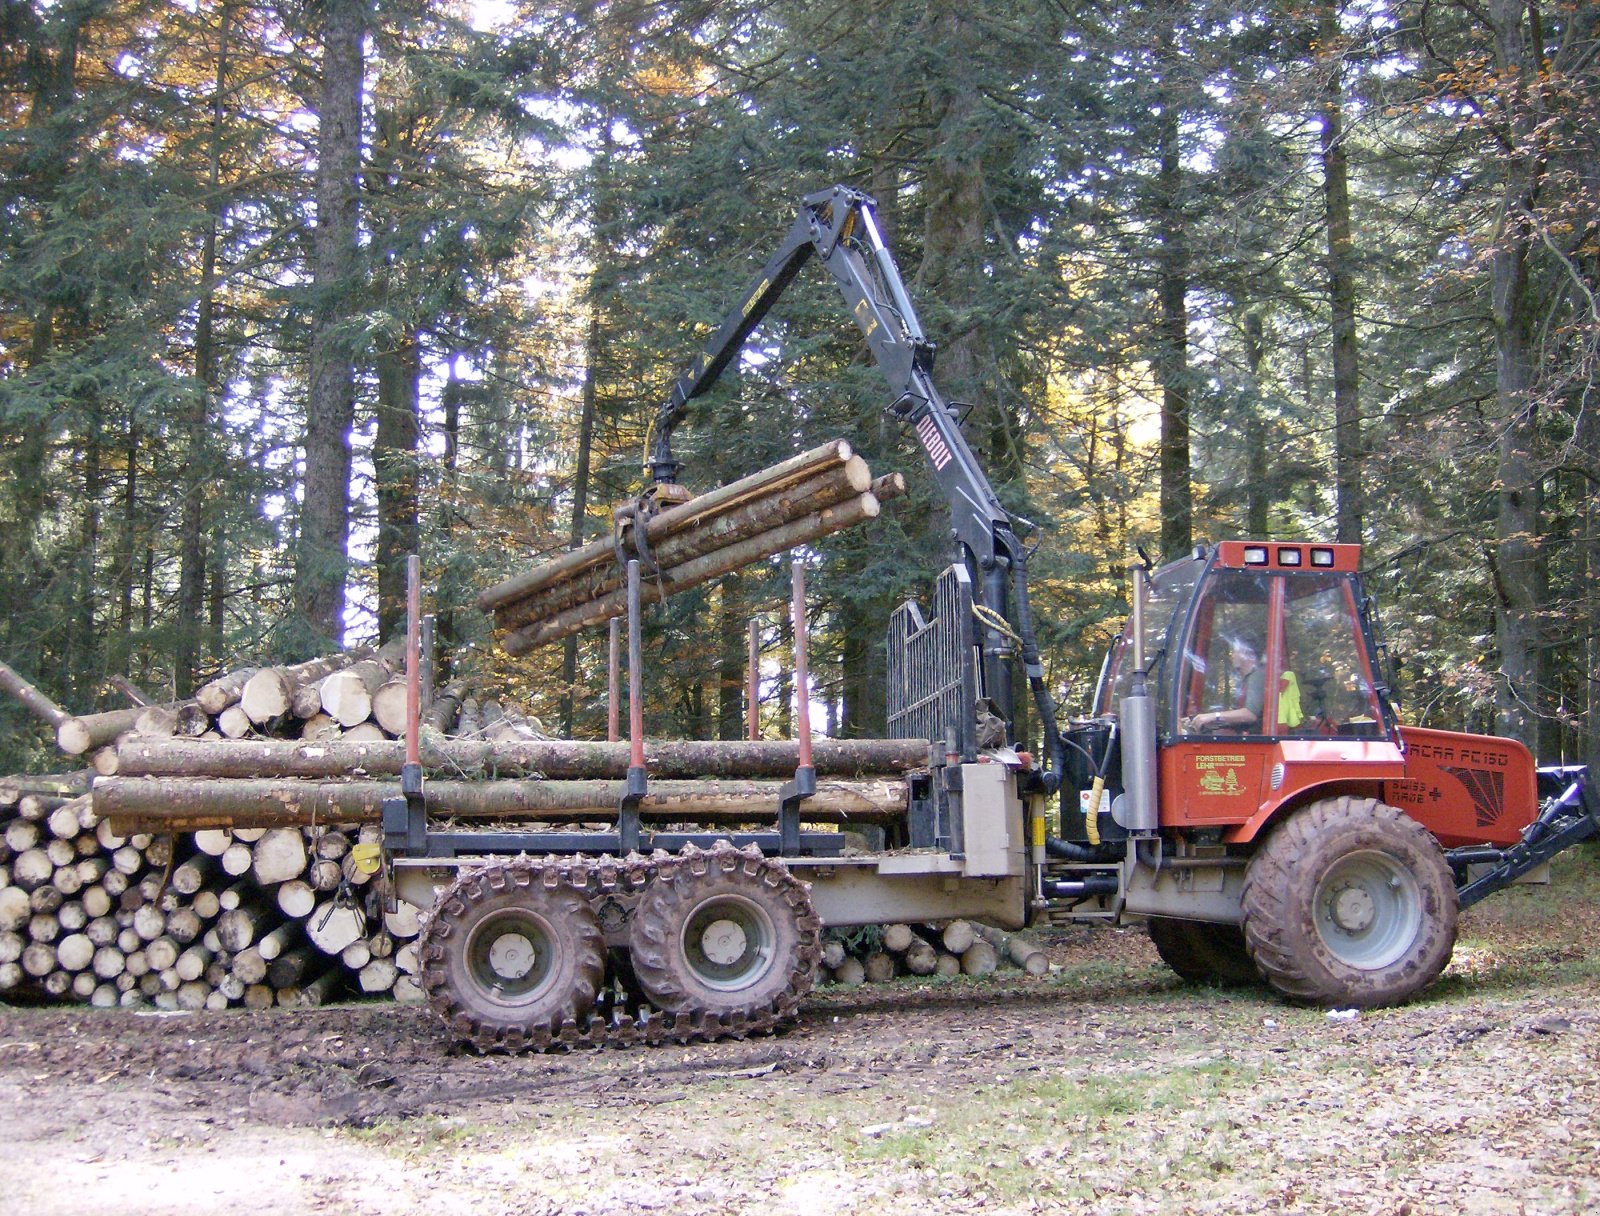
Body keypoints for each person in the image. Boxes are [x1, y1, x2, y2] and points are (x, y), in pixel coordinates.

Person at [1182, 635, 1264, 733]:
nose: (1232, 656)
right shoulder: (1247, 680)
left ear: (1247, 653)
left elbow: (1250, 715)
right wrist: (1201, 720)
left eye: (1235, 651)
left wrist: (1214, 716)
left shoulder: (1257, 676)